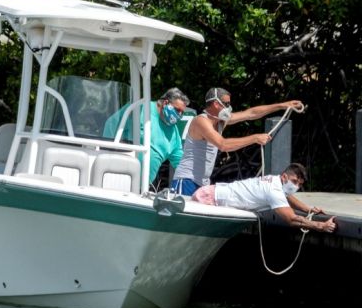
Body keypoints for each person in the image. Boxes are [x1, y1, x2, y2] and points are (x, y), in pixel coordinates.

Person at [170, 87, 302, 195]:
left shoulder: (220, 121)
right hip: (186, 181)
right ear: (216, 104)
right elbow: (223, 145)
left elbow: (251, 113)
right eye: (227, 104)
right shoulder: (201, 121)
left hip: (203, 184)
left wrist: (282, 105)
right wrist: (255, 138)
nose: (229, 107)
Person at [190, 163, 336, 232]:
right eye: (294, 181)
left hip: (211, 192)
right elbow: (291, 219)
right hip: (210, 198)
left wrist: (307, 209)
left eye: (299, 184)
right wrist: (320, 226)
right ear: (284, 176)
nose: (296, 186)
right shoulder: (273, 190)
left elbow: (287, 197)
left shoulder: (275, 180)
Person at [102, 87, 190, 184]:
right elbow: (111, 124)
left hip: (142, 188)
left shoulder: (174, 133)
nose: (179, 115)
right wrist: (108, 152)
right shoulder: (141, 109)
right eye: (177, 110)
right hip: (116, 176)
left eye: (182, 112)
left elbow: (182, 164)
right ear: (165, 103)